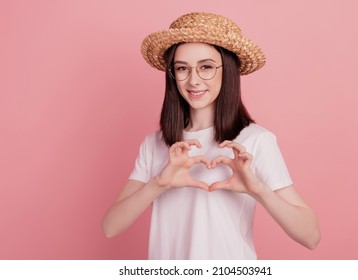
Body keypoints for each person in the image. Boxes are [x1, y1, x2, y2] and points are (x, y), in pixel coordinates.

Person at [102, 12, 320, 259]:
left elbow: (310, 236)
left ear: (226, 71)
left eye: (206, 67)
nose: (193, 80)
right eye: (182, 68)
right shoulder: (155, 144)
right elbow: (110, 226)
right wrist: (160, 182)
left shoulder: (255, 141)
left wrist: (257, 189)